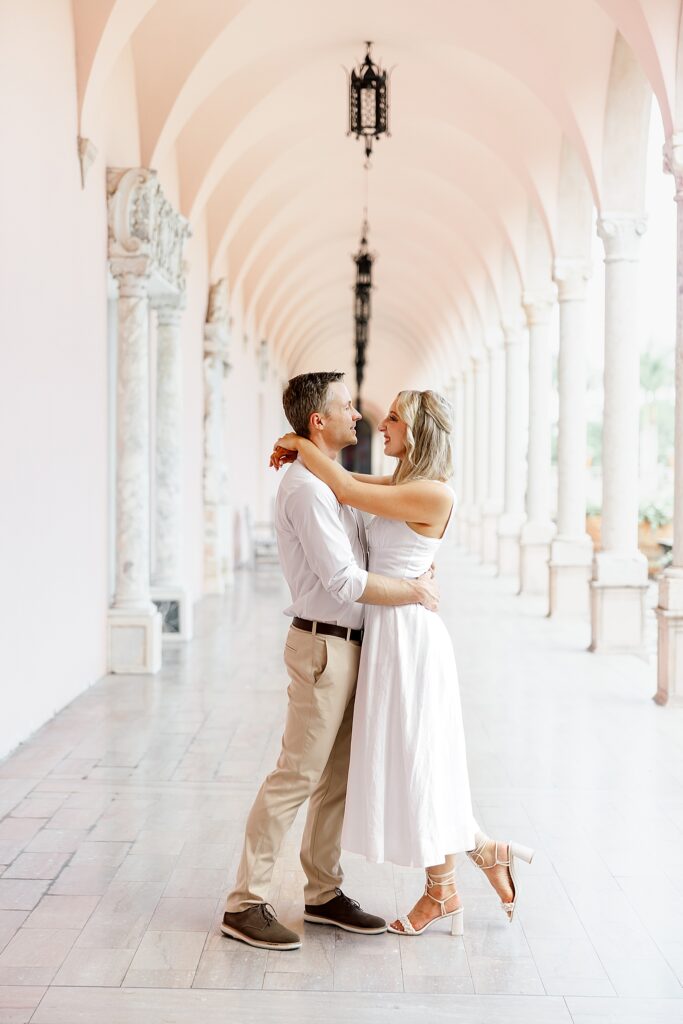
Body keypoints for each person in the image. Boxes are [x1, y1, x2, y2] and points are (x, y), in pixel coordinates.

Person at [272, 388, 534, 937]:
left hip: (411, 638)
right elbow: (346, 488)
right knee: (411, 758)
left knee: (419, 758)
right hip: (386, 633)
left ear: (416, 431)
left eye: (393, 417)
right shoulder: (403, 485)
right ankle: (478, 856)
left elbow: (342, 485)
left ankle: (446, 886)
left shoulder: (434, 494)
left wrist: (297, 440)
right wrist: (302, 450)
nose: (380, 423)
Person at [222, 372, 440, 950]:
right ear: (319, 420)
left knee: (336, 778)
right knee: (296, 775)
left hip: (352, 646)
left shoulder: (328, 482)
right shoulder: (305, 489)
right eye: (346, 406)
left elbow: (359, 501)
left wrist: (296, 444)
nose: (357, 415)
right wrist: (414, 590)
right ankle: (245, 902)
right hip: (323, 645)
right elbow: (344, 580)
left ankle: (322, 891)